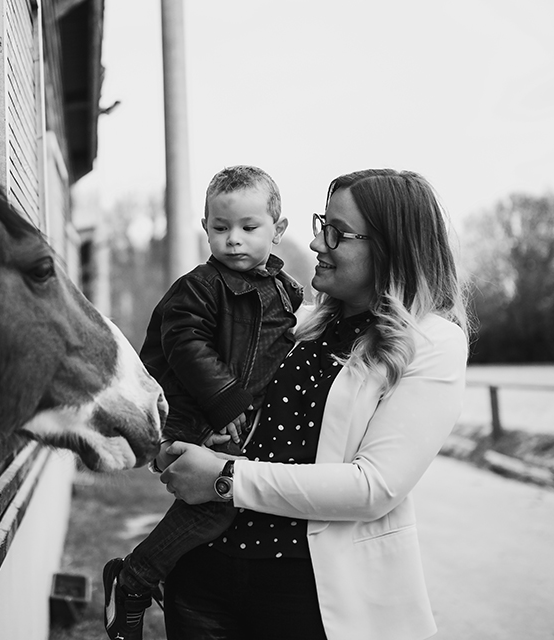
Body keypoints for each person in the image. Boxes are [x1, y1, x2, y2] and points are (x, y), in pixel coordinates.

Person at [156, 168, 470, 640]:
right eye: (322, 224)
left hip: (310, 596)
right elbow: (196, 372)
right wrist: (182, 443)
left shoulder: (433, 343)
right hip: (204, 578)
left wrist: (224, 480)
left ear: (389, 246)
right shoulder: (293, 325)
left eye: (336, 233)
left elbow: (374, 486)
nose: (318, 243)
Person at [102, 166, 305, 640]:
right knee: (215, 506)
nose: (233, 240)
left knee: (230, 505)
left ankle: (157, 578)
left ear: (278, 230)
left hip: (233, 422)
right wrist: (223, 403)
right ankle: (132, 580)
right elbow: (183, 344)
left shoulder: (285, 290)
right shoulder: (199, 286)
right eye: (220, 228)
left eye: (248, 228)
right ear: (206, 229)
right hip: (194, 415)